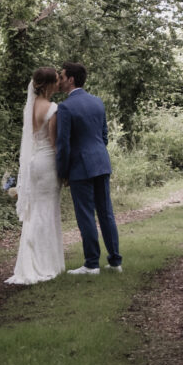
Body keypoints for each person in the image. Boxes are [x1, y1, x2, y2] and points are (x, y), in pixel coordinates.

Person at [55, 62, 122, 274]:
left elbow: (63, 144)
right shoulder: (97, 102)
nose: (60, 80)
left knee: (85, 214)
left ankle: (92, 263)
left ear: (71, 79)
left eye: (63, 76)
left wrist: (62, 171)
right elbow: (104, 136)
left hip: (80, 167)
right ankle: (115, 261)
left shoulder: (65, 107)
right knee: (106, 213)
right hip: (101, 162)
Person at [5, 66, 64, 285]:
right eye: (57, 80)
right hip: (47, 162)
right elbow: (54, 142)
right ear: (48, 84)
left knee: (35, 212)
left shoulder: (29, 107)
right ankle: (45, 264)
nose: (59, 83)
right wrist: (64, 167)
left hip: (33, 163)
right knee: (46, 211)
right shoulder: (51, 108)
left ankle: (29, 262)